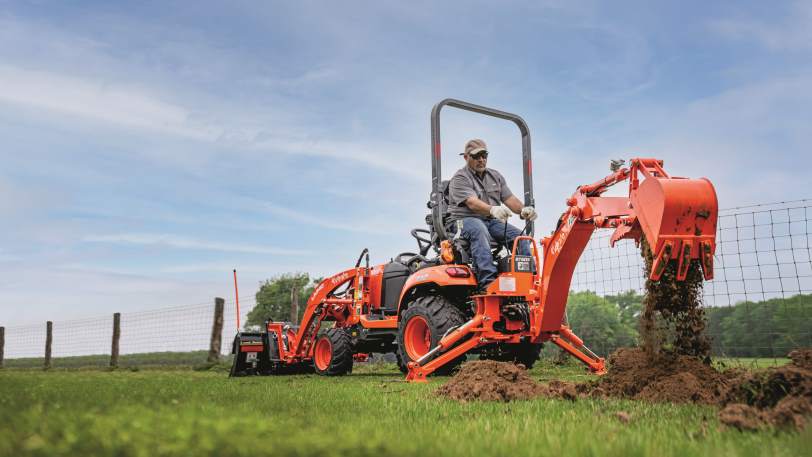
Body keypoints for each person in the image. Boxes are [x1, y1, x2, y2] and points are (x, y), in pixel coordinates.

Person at [446, 138, 537, 289]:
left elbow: (509, 198)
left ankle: (529, 280)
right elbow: (471, 202)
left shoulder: (495, 176)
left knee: (520, 238)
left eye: (484, 155)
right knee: (478, 229)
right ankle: (488, 282)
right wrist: (493, 209)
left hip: (489, 221)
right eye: (476, 156)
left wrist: (523, 210)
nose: (481, 160)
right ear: (466, 157)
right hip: (462, 221)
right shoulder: (460, 178)